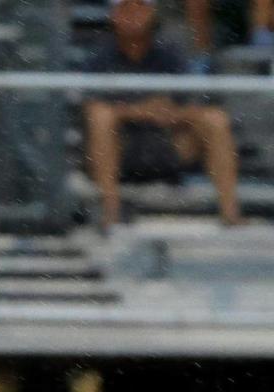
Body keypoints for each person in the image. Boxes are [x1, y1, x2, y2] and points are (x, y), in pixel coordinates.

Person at [84, 0, 243, 228]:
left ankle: (230, 212)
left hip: (168, 145)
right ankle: (110, 212)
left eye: (140, 8)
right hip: (123, 148)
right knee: (100, 118)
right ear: (114, 16)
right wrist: (136, 111)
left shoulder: (170, 54)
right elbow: (91, 109)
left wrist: (170, 112)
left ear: (152, 13)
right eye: (126, 8)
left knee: (214, 119)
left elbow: (195, 103)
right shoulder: (98, 57)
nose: (133, 15)